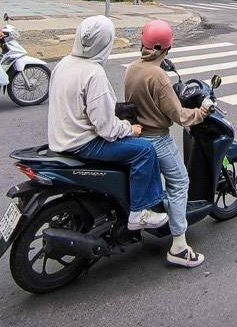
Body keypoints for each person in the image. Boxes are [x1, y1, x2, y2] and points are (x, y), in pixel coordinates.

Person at [48, 16, 169, 231]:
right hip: (85, 144)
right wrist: (129, 129)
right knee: (145, 151)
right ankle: (140, 211)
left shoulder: (63, 64)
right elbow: (105, 127)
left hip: (60, 139)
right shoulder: (94, 73)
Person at [124, 19, 212, 268]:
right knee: (180, 182)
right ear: (166, 49)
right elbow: (180, 116)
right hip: (157, 139)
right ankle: (179, 246)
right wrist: (203, 111)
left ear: (143, 43)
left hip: (135, 135)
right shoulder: (158, 76)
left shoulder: (131, 68)